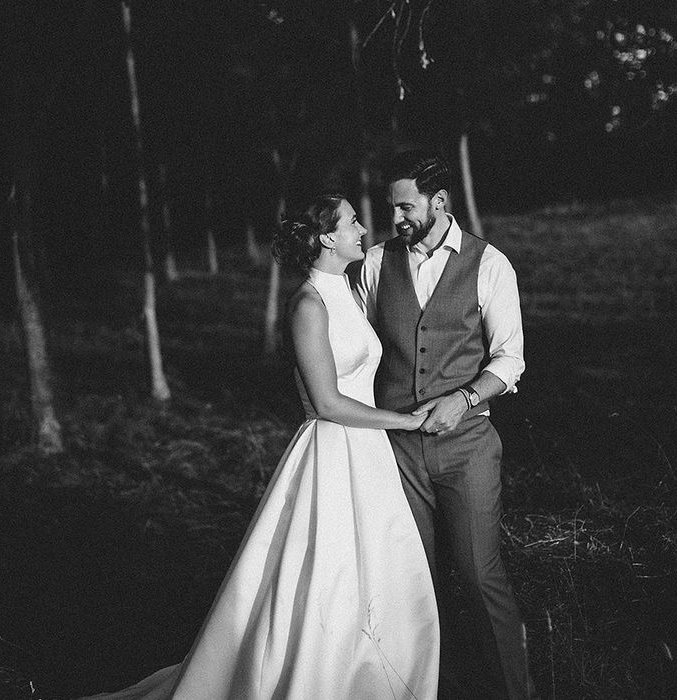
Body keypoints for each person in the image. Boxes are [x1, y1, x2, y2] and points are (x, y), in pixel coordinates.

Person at [76, 194, 440, 700]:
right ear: (328, 238)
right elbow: (328, 403)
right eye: (353, 221)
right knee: (326, 576)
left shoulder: (350, 291)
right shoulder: (308, 304)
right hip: (334, 451)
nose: (363, 228)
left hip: (369, 454)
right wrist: (405, 421)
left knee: (375, 569)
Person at [357, 151, 535, 699]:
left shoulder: (489, 264)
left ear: (439, 201)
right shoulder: (373, 263)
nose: (397, 220)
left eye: (406, 207)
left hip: (467, 446)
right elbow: (361, 348)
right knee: (413, 581)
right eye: (391, 209)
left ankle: (513, 691)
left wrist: (462, 398)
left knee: (480, 576)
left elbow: (510, 359)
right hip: (396, 452)